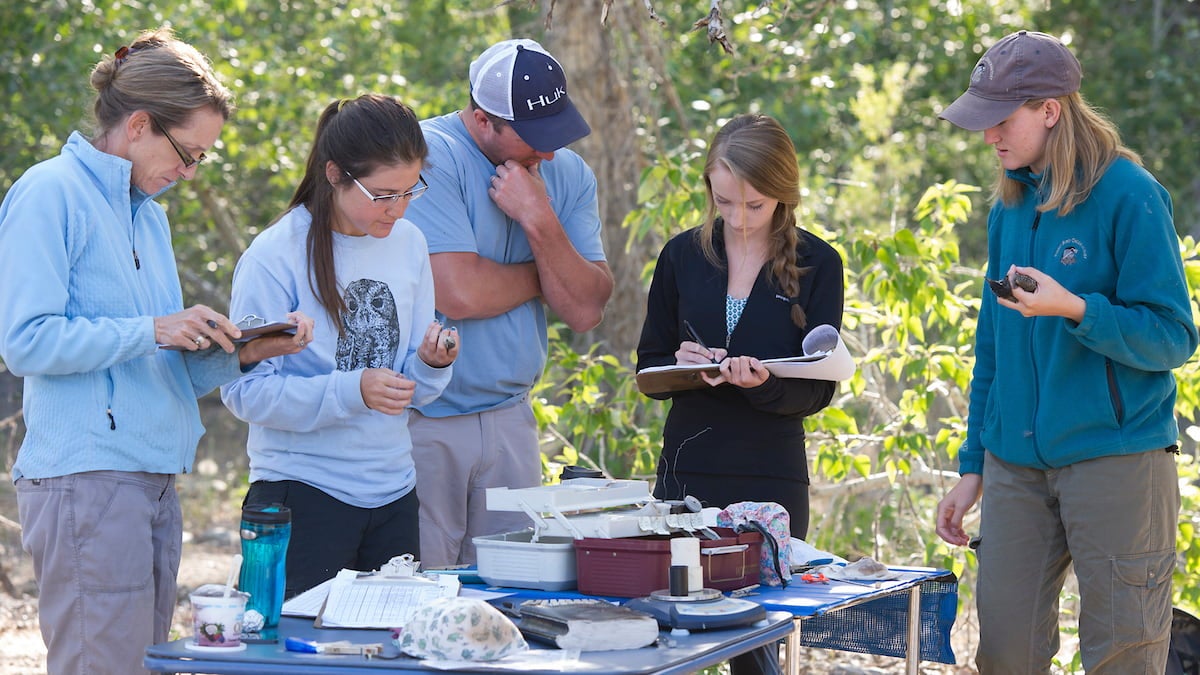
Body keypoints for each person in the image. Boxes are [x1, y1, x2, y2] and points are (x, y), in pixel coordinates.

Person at [0, 27, 313, 675]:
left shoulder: (151, 214)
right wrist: (155, 328)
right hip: (85, 478)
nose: (192, 171)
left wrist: (246, 349)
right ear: (139, 123)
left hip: (152, 479)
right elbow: (24, 341)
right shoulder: (49, 191)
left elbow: (160, 363)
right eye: (189, 152)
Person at [934, 30, 1197, 673]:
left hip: (1119, 460)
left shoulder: (1130, 194)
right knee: (1003, 653)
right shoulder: (1010, 205)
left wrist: (1076, 309)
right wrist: (974, 464)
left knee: (1123, 658)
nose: (988, 136)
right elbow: (991, 346)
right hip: (1014, 466)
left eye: (1001, 119)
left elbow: (1172, 336)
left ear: (1050, 110)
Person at [221, 94, 458, 597]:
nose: (398, 208)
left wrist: (431, 364)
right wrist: (354, 391)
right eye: (382, 194)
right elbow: (243, 394)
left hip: (394, 491)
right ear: (334, 174)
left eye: (411, 190)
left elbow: (413, 391)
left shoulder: (410, 242)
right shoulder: (273, 255)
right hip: (302, 493)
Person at [636, 113, 844, 675]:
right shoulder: (680, 256)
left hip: (769, 477)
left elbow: (821, 386)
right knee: (666, 635)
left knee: (755, 648)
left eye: (755, 205)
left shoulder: (819, 264)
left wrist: (766, 386)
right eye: (725, 202)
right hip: (686, 472)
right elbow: (649, 367)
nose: (739, 219)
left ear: (784, 194)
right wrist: (681, 367)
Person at [404, 38, 613, 567]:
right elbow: (460, 292)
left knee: (509, 597)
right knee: (424, 595)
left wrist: (538, 218)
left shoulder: (568, 173)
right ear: (482, 119)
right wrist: (552, 274)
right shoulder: (427, 154)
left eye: (555, 132)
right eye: (534, 137)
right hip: (424, 422)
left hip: (512, 420)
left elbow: (587, 309)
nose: (548, 151)